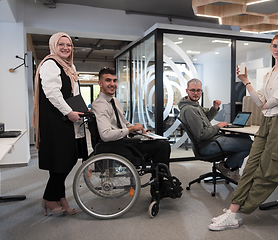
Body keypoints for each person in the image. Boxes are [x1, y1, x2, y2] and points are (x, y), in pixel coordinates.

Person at [208, 31, 278, 231]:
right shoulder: (269, 74)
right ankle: (234, 211)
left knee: (269, 170)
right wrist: (245, 80)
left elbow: (275, 101)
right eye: (274, 46)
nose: (277, 49)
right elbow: (260, 102)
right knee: (250, 167)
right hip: (267, 122)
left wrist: (265, 103)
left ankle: (238, 212)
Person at [91, 67, 174, 195]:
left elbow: (124, 123)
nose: (112, 84)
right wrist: (131, 129)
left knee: (159, 142)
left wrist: (139, 129)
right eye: (108, 80)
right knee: (162, 147)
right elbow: (106, 135)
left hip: (122, 141)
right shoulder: (99, 105)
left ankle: (160, 182)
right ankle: (160, 186)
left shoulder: (115, 101)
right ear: (100, 83)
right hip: (113, 146)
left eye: (114, 80)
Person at [32, 32, 86, 216]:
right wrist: (69, 112)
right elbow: (52, 93)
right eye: (61, 44)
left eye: (69, 45)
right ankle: (49, 198)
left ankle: (59, 197)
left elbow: (73, 93)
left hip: (66, 120)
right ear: (53, 46)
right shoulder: (50, 64)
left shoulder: (69, 66)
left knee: (64, 160)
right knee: (63, 160)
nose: (65, 48)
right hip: (55, 120)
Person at [178, 78, 253, 182]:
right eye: (193, 90)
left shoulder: (194, 105)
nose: (196, 93)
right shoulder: (189, 110)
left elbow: (206, 118)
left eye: (198, 90)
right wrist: (218, 126)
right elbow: (201, 135)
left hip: (212, 140)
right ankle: (226, 167)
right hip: (207, 145)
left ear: (201, 91)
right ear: (187, 91)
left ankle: (233, 170)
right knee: (250, 144)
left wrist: (215, 108)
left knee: (245, 137)